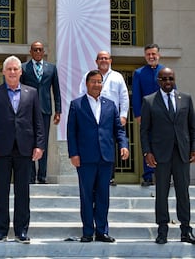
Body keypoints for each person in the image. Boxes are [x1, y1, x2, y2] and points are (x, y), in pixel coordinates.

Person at [0, 56, 45, 244]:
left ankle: (21, 231)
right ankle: (1, 231)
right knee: (1, 192)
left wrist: (39, 145)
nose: (12, 72)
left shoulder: (31, 93)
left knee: (22, 192)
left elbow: (38, 122)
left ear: (20, 71)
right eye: (8, 69)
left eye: (15, 69)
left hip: (25, 149)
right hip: (0, 149)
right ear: (3, 72)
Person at [67, 70, 129, 243]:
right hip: (85, 158)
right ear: (87, 84)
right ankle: (87, 232)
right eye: (93, 81)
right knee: (86, 196)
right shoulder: (76, 105)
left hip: (105, 157)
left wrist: (123, 145)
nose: (97, 85)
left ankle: (102, 231)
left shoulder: (110, 105)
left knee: (103, 196)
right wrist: (73, 154)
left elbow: (118, 129)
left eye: (99, 81)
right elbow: (71, 132)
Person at [140, 67, 195, 245]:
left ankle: (186, 230)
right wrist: (147, 152)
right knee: (161, 193)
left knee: (183, 193)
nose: (167, 82)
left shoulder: (185, 99)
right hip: (160, 155)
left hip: (181, 154)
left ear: (174, 79)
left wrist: (193, 149)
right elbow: (144, 130)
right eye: (164, 79)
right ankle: (162, 230)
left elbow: (192, 127)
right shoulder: (149, 101)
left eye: (170, 78)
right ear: (158, 81)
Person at [79, 51, 129, 186]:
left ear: (110, 60)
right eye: (101, 58)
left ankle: (110, 177)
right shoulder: (88, 76)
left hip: (111, 118)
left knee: (110, 146)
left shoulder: (117, 77)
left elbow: (124, 97)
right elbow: (82, 95)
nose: (103, 60)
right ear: (96, 61)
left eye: (106, 58)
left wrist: (123, 115)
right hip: (92, 118)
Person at [21, 41, 61, 184]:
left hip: (45, 110)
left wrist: (58, 110)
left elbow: (56, 90)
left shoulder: (51, 68)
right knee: (29, 142)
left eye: (40, 50)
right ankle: (31, 176)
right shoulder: (23, 68)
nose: (38, 52)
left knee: (42, 143)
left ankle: (42, 175)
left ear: (43, 52)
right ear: (31, 52)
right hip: (27, 110)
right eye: (35, 50)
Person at [132, 43, 164, 186]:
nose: (151, 56)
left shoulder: (165, 71)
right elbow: (136, 95)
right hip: (146, 115)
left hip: (164, 115)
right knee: (147, 144)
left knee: (165, 144)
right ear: (145, 56)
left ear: (159, 55)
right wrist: (138, 114)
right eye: (148, 54)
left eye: (153, 54)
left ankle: (163, 175)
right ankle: (148, 175)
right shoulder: (139, 73)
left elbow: (173, 92)